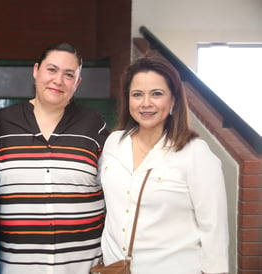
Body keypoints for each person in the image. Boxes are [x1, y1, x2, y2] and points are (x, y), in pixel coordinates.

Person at [98, 56, 229, 274]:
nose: (145, 103)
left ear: (174, 101)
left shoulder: (195, 152)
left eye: (156, 94)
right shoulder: (113, 143)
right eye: (137, 94)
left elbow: (214, 229)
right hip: (115, 268)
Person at [0, 42, 110, 274]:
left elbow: (116, 191)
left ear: (77, 83)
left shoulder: (95, 125)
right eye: (51, 70)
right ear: (36, 71)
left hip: (83, 267)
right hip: (16, 268)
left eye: (69, 74)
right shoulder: (0, 124)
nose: (58, 80)